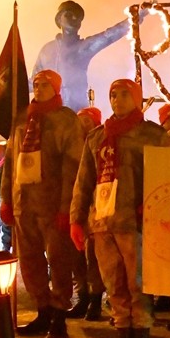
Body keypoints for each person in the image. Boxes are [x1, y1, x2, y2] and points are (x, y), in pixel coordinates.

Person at [70, 79, 170, 338]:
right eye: (113, 94)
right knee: (114, 284)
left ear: (137, 99)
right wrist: (77, 219)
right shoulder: (97, 138)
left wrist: (152, 206)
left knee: (138, 284)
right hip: (102, 222)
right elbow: (83, 181)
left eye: (124, 94)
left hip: (135, 222)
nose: (117, 100)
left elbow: (167, 176)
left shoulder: (152, 135)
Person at [1, 70, 84, 338]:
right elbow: (10, 163)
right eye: (36, 84)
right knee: (29, 261)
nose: (39, 88)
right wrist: (6, 199)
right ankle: (43, 309)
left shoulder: (65, 121)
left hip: (52, 203)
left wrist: (66, 207)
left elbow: (73, 167)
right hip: (24, 203)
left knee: (59, 260)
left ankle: (59, 312)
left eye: (45, 84)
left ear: (56, 88)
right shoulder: (22, 120)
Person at [33, 1, 143, 113]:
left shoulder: (82, 49)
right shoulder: (46, 50)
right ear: (58, 19)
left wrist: (134, 19)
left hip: (76, 114)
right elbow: (32, 82)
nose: (74, 18)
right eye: (69, 14)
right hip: (49, 114)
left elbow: (108, 36)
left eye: (78, 17)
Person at [68, 106, 105, 321]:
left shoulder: (98, 143)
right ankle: (81, 295)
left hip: (95, 208)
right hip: (75, 207)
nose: (82, 125)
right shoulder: (72, 145)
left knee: (94, 259)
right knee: (76, 258)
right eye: (80, 120)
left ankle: (95, 299)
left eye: (87, 121)